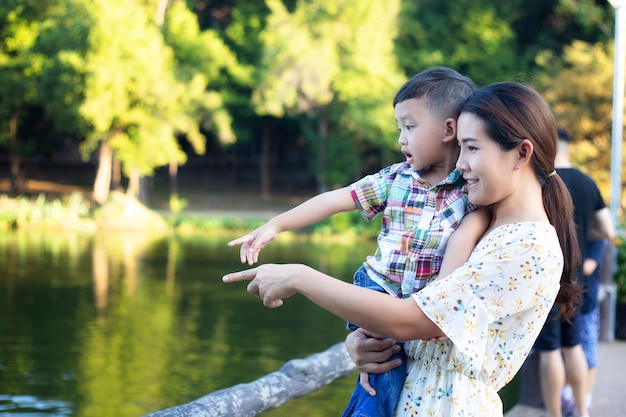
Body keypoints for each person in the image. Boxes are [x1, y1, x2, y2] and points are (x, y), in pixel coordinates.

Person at [223, 81, 582, 417]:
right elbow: (418, 324)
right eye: (460, 148)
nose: (459, 164)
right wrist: (361, 343)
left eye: (472, 148)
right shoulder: (480, 226)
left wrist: (299, 276)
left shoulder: (527, 248)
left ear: (521, 153)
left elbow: (416, 321)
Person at [537, 127, 615, 417]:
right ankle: (582, 411)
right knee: (573, 346)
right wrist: (582, 237)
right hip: (576, 278)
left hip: (548, 276)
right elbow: (606, 229)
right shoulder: (586, 181)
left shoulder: (544, 181)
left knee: (549, 351)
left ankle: (555, 414)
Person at [561, 238, 609, 416]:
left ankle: (585, 399)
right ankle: (567, 395)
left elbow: (588, 267)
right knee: (569, 350)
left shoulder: (598, 240)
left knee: (587, 354)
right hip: (572, 303)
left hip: (587, 305)